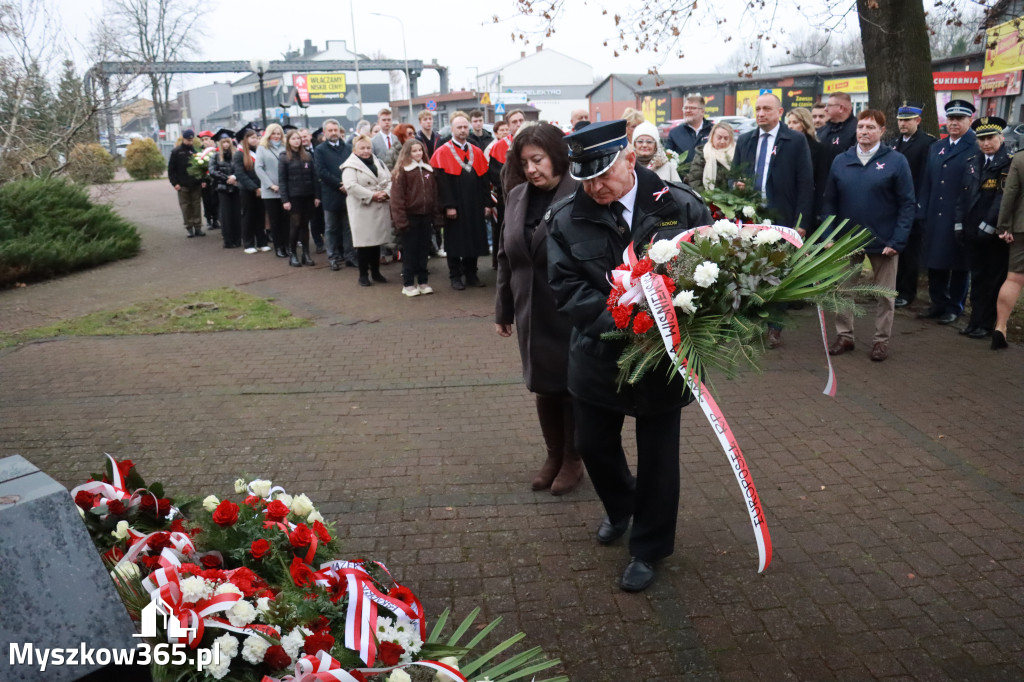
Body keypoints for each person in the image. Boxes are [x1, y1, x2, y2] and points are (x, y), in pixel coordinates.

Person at [547, 120, 712, 592]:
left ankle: (649, 547)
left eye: (603, 176)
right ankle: (622, 507)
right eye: (585, 179)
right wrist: (620, 325)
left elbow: (710, 268)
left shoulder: (680, 205)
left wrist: (677, 322)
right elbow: (567, 287)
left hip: (663, 360)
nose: (595, 187)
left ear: (630, 160)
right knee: (594, 446)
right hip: (599, 355)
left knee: (660, 458)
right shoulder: (564, 218)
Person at [496, 123, 583, 495]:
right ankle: (553, 455)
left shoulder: (580, 192)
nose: (531, 169)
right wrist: (503, 308)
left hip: (569, 307)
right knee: (543, 386)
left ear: (556, 157)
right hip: (530, 306)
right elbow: (505, 255)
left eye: (538, 160)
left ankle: (574, 459)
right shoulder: (516, 195)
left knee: (572, 387)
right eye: (525, 162)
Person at [822, 109, 915, 362]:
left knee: (885, 294)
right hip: (846, 240)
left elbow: (907, 204)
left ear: (882, 132)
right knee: (843, 291)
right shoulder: (842, 160)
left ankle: (880, 341)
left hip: (884, 240)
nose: (864, 131)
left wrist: (897, 240)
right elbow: (829, 202)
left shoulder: (896, 161)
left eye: (871, 127)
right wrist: (829, 235)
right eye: (861, 126)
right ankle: (845, 336)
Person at [733, 93, 813, 348]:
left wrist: (801, 220)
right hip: (751, 217)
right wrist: (735, 185)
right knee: (749, 273)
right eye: (757, 109)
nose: (760, 113)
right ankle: (751, 324)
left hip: (783, 218)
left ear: (779, 112)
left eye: (766, 109)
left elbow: (805, 182)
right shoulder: (745, 140)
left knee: (779, 274)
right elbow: (732, 178)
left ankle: (774, 327)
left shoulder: (796, 140)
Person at [917, 99, 978, 325]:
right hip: (935, 212)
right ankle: (938, 303)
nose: (954, 123)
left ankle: (955, 306)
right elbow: (927, 182)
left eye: (960, 119)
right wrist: (922, 210)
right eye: (951, 119)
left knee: (960, 264)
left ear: (970, 120)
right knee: (935, 260)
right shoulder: (936, 147)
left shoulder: (976, 145)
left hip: (961, 214)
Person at [955, 117, 1010, 339]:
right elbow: (962, 196)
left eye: (990, 138)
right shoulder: (972, 161)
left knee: (992, 280)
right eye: (981, 139)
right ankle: (974, 321)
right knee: (976, 278)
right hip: (971, 231)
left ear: (1001, 138)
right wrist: (958, 224)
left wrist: (989, 225)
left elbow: (1002, 199)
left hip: (993, 233)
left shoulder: (1008, 163)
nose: (986, 143)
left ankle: (987, 324)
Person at [430, 111, 492, 289]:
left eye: (466, 127)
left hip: (474, 204)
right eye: (459, 127)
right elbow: (442, 184)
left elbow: (483, 180)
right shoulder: (442, 152)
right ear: (452, 129)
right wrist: (449, 206)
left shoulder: (476, 151)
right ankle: (455, 276)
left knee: (474, 238)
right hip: (455, 204)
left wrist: (487, 203)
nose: (463, 130)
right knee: (456, 241)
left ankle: (472, 273)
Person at [892, 101, 937, 308]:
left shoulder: (927, 143)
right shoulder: (895, 142)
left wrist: (921, 204)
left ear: (917, 121)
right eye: (900, 120)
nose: (903, 124)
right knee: (896, 249)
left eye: (907, 120)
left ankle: (907, 292)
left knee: (911, 251)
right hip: (896, 204)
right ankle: (894, 288)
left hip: (915, 202)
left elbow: (927, 176)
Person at [390, 139, 442, 296]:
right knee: (410, 252)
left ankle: (423, 281)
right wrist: (401, 221)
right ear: (407, 153)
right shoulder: (402, 172)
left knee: (423, 251)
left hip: (425, 217)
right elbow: (397, 199)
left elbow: (434, 195)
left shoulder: (428, 171)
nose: (418, 153)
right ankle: (408, 283)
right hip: (409, 218)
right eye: (414, 151)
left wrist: (436, 217)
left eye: (420, 150)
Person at [341, 134, 392, 286]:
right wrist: (372, 195)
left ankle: (376, 272)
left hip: (379, 204)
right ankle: (363, 275)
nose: (365, 151)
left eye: (368, 147)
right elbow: (351, 186)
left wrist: (386, 193)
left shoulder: (379, 162)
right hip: (362, 208)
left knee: (376, 243)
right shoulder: (350, 166)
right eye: (362, 148)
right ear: (355, 150)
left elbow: (389, 179)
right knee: (364, 244)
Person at [993, 144, 1024, 349]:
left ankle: (1000, 327)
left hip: (1021, 226)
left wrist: (1004, 226)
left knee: (1013, 278)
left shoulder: (1020, 158)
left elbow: (1010, 193)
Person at [314, 119, 356, 271]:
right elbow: (321, 171)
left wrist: (348, 184)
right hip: (331, 194)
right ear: (325, 133)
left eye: (335, 130)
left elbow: (353, 167)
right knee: (331, 228)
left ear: (339, 131)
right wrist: (340, 184)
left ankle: (350, 256)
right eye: (330, 130)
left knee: (348, 227)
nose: (333, 133)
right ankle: (333, 257)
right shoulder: (320, 150)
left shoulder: (348, 148)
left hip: (348, 194)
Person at [278, 128, 321, 267]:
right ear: (289, 141)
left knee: (305, 225)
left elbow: (314, 177)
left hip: (308, 195)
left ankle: (306, 254)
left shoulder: (307, 155)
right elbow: (282, 180)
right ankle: (293, 254)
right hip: (294, 196)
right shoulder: (284, 157)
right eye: (293, 138)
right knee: (295, 225)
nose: (297, 141)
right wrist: (285, 200)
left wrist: (316, 195)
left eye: (298, 138)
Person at [785, 107, 828, 225]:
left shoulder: (819, 149)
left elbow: (821, 183)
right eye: (789, 122)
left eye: (795, 122)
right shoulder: (785, 147)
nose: (790, 126)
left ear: (805, 124)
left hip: (808, 207)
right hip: (786, 204)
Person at [232, 126, 269, 254]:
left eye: (256, 137)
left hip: (261, 188)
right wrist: (254, 188)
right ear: (245, 139)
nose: (256, 140)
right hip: (247, 190)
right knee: (248, 216)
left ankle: (262, 242)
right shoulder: (239, 154)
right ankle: (248, 243)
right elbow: (240, 174)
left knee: (260, 216)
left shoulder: (259, 151)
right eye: (252, 138)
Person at [255, 123, 289, 258]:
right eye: (273, 133)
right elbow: (258, 168)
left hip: (285, 190)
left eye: (278, 133)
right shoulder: (262, 148)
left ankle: (287, 245)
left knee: (286, 220)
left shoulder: (286, 147)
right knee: (275, 221)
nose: (276, 136)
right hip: (270, 192)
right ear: (268, 135)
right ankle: (279, 247)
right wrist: (270, 185)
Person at [206, 129, 241, 249]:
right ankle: (228, 240)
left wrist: (234, 177)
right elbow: (212, 171)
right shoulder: (215, 156)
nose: (225, 144)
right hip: (222, 188)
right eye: (223, 142)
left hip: (236, 188)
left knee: (237, 213)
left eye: (227, 142)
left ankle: (238, 238)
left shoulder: (236, 155)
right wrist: (227, 178)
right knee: (225, 215)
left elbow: (240, 168)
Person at [167, 129, 205, 238]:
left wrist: (202, 180)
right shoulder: (176, 152)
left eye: (191, 140)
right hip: (182, 184)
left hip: (195, 184)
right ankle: (189, 228)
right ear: (183, 139)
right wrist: (175, 183)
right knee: (185, 207)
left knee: (196, 206)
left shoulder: (195, 151)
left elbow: (201, 168)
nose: (190, 142)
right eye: (188, 140)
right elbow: (171, 170)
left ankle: (198, 227)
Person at [685, 121, 735, 190]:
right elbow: (695, 181)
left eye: (726, 138)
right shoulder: (702, 155)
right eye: (719, 138)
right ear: (712, 137)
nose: (722, 141)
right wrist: (707, 197)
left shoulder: (737, 154)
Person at [665, 94, 713, 162]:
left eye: (692, 108)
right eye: (685, 108)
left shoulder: (714, 131)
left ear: (702, 111)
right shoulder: (675, 133)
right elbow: (667, 158)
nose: (688, 111)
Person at [817, 92, 858, 167]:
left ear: (841, 108)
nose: (825, 109)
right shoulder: (822, 130)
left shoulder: (857, 130)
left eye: (829, 105)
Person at [198, 130, 220, 231]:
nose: (205, 142)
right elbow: (198, 169)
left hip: (216, 180)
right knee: (207, 201)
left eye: (207, 139)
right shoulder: (199, 153)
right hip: (206, 182)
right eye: (203, 140)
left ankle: (216, 219)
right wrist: (202, 179)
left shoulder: (217, 151)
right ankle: (209, 220)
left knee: (215, 200)